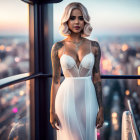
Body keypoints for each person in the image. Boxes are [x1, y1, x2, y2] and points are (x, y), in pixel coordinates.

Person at [50, 2, 104, 140]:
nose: (77, 22)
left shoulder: (94, 46)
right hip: (65, 99)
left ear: (85, 21)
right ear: (66, 20)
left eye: (81, 18)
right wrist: (52, 111)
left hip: (89, 98)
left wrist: (101, 109)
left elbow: (97, 79)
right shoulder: (58, 47)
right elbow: (55, 81)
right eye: (72, 18)